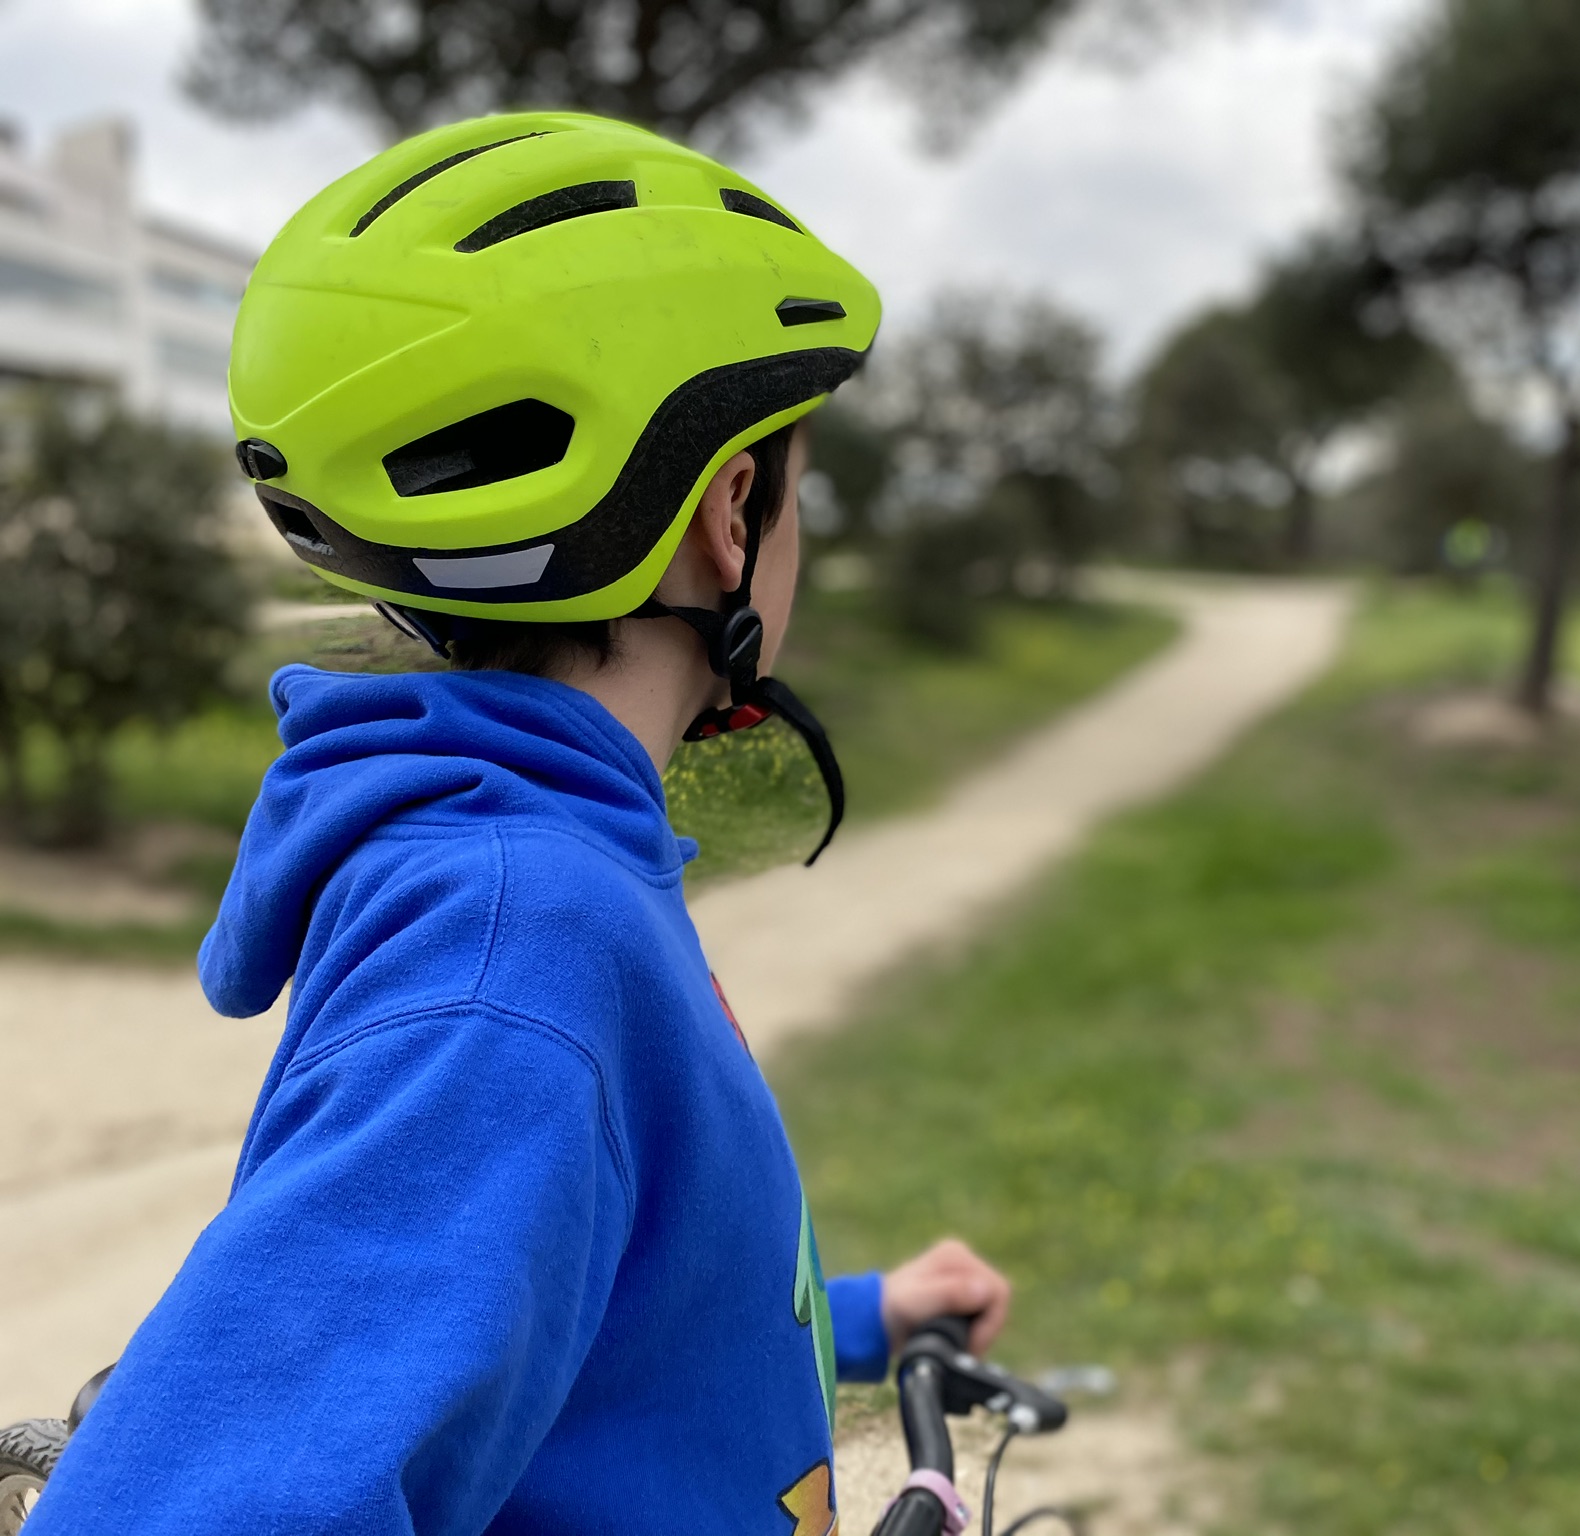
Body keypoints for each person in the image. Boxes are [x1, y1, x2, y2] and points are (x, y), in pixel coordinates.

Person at [26, 112, 1011, 1533]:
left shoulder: (551, 869)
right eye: (798, 486)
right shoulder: (518, 946)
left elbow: (581, 1287)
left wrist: (863, 1316)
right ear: (731, 514)